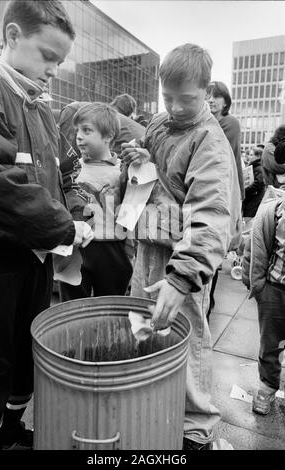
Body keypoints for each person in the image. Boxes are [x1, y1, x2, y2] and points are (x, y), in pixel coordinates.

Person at [121, 43, 242, 450]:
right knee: (144, 321)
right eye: (167, 97)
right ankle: (150, 400)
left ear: (207, 92)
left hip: (180, 254)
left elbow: (210, 213)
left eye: (186, 99)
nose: (173, 107)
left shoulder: (209, 140)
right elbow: (162, 170)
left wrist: (183, 276)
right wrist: (141, 155)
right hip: (149, 244)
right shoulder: (159, 124)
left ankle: (195, 430)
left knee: (186, 334)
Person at [0, 0, 93, 450]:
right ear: (12, 37)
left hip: (38, 257)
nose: (53, 69)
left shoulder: (41, 104)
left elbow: (66, 171)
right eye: (47, 56)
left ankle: (12, 426)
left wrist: (77, 210)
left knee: (26, 351)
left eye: (60, 61)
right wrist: (63, 227)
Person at [59, 102, 133, 301]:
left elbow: (132, 210)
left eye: (87, 130)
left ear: (108, 136)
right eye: (77, 131)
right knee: (72, 308)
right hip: (76, 248)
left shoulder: (124, 171)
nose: (79, 136)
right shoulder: (69, 170)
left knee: (111, 308)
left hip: (112, 249)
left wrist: (130, 251)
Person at [242, 196, 285, 415]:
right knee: (271, 343)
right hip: (275, 288)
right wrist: (254, 282)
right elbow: (254, 246)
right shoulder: (275, 209)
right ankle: (267, 388)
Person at [206, 81, 244, 320]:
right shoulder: (206, 122)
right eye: (207, 95)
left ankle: (207, 305)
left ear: (225, 102)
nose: (210, 100)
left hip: (224, 193)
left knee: (212, 250)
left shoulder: (228, 123)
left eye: (216, 97)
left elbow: (214, 149)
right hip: (213, 191)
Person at [242, 147, 265, 218]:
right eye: (249, 154)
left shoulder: (258, 167)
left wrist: (245, 190)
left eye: (252, 155)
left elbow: (258, 183)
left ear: (258, 156)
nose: (249, 156)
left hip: (255, 197)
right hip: (252, 196)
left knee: (249, 218)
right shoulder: (254, 166)